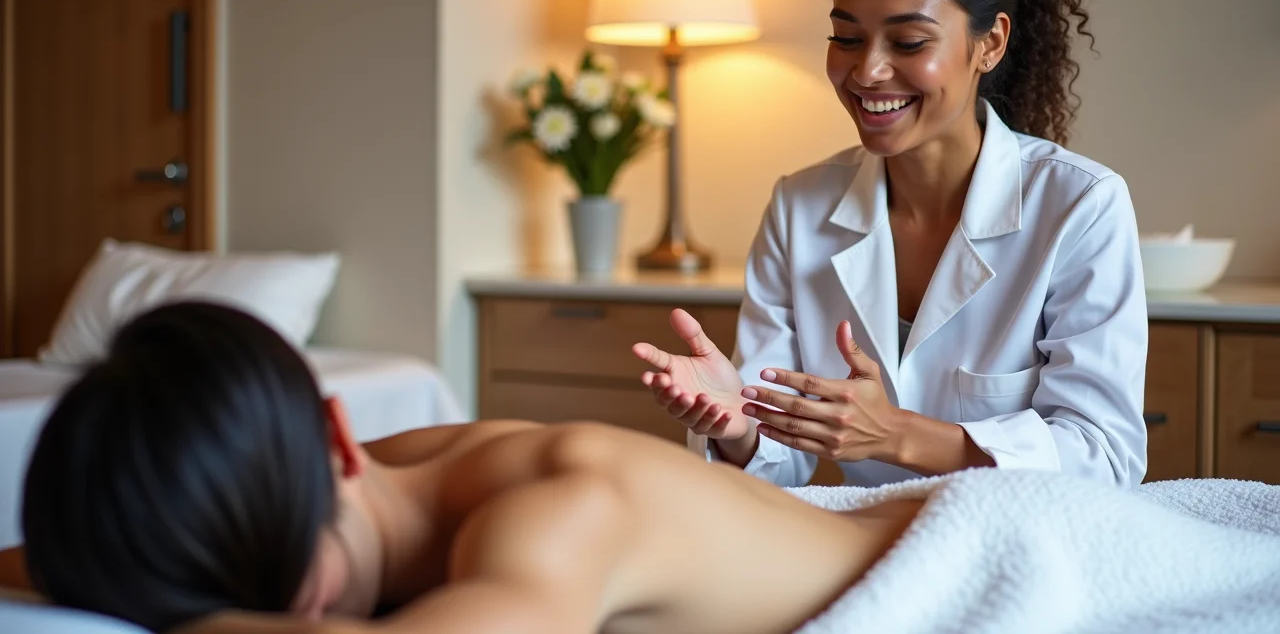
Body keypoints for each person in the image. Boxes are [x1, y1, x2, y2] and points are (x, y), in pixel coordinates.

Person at [635, 0, 1148, 488]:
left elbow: (1104, 457)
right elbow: (781, 461)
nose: (867, 70)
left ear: (990, 43)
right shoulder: (799, 206)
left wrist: (896, 434)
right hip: (864, 537)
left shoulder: (1081, 206)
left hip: (1015, 539)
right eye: (846, 37)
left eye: (908, 42)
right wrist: (739, 427)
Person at [2, 301, 924, 633]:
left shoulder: (554, 512)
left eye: (287, 588)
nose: (293, 616)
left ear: (336, 439)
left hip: (941, 573)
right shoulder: (362, 478)